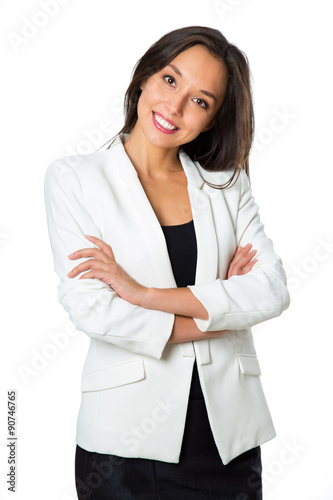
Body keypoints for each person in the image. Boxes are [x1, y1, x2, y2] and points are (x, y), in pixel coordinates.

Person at [44, 25, 290, 499]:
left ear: (214, 119)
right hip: (123, 448)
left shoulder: (227, 184)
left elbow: (272, 289)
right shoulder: (75, 179)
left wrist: (143, 294)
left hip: (228, 444)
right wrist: (219, 314)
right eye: (170, 80)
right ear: (144, 77)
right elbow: (93, 310)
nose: (174, 107)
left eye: (201, 100)